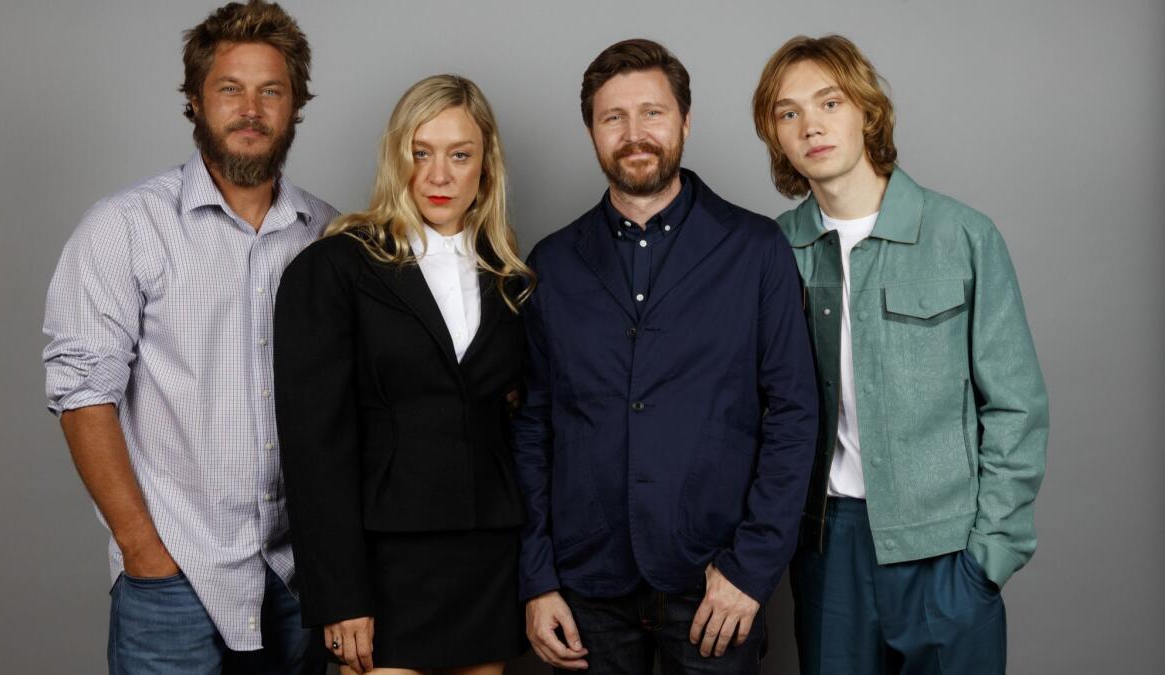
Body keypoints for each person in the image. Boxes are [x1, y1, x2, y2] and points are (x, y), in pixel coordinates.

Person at [41, 2, 336, 673]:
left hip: (297, 576)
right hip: (172, 576)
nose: (251, 110)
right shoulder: (124, 227)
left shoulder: (328, 234)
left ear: (296, 105)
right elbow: (82, 394)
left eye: (272, 91)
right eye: (230, 89)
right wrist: (144, 551)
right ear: (195, 102)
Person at [512, 38, 818, 674]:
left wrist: (752, 570)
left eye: (652, 112)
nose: (634, 133)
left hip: (716, 583)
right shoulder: (552, 264)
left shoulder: (756, 249)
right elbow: (532, 430)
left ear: (685, 119)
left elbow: (793, 417)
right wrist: (538, 580)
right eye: (612, 117)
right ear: (592, 130)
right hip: (585, 588)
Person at [752, 34, 1050, 675]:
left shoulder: (962, 236)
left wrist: (988, 555)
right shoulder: (770, 252)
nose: (811, 126)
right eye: (788, 112)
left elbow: (1016, 406)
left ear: (866, 110)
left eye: (829, 103)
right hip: (828, 550)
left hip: (946, 550)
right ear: (775, 136)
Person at [273, 74, 533, 675]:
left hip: (485, 551)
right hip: (382, 563)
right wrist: (340, 595)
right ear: (398, 159)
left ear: (485, 166)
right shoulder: (334, 268)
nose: (439, 175)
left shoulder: (513, 280)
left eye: (459, 155)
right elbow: (315, 446)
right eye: (422, 153)